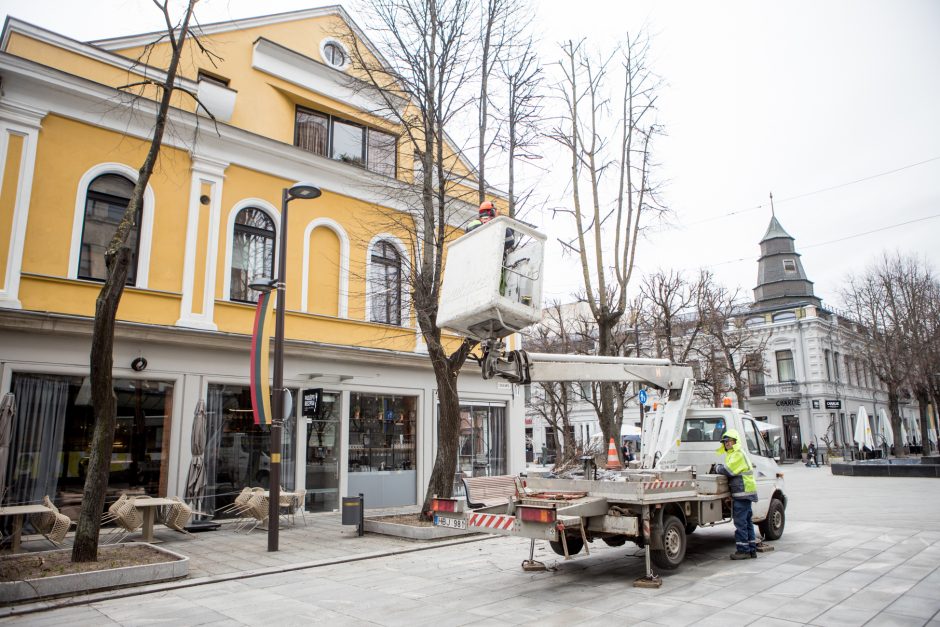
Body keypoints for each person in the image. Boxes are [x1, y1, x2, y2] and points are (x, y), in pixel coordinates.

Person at [715, 429, 758, 560]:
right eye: (725, 441)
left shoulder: (737, 454)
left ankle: (743, 550)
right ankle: (751, 549)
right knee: (747, 522)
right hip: (745, 493)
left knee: (740, 523)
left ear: (735, 441)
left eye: (729, 441)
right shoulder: (735, 453)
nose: (727, 443)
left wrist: (716, 468)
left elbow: (728, 470)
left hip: (742, 493)